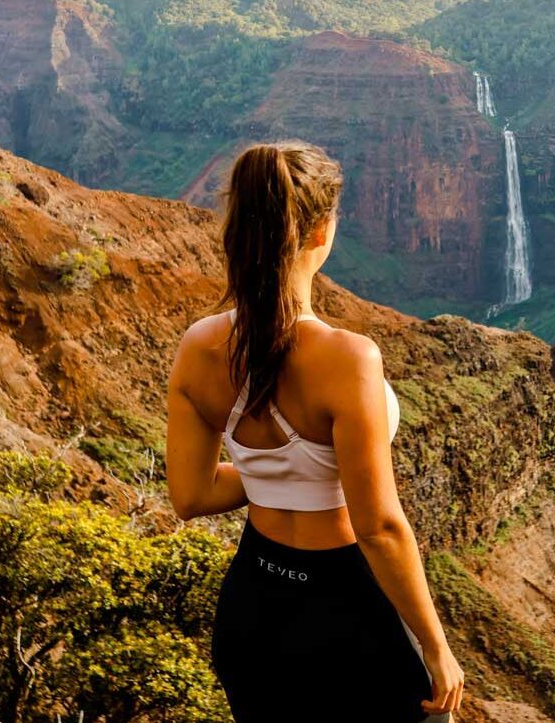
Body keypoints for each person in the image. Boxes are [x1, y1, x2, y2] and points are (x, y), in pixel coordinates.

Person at [166, 139, 465, 722]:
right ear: (321, 232)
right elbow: (377, 527)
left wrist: (272, 473)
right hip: (344, 610)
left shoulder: (198, 348)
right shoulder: (349, 357)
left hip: (253, 605)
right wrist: (437, 647)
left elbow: (191, 496)